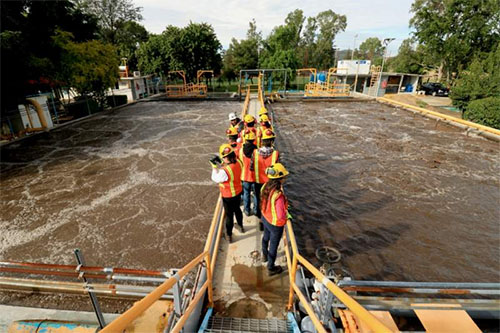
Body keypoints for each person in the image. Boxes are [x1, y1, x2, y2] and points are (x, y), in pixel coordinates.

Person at [210, 144, 244, 242]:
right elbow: (231, 167)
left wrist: (214, 167)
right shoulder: (239, 162)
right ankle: (241, 226)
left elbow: (215, 178)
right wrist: (222, 163)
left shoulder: (224, 171)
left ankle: (229, 235)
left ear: (225, 157)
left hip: (228, 195)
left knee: (229, 215)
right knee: (237, 210)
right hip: (238, 192)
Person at [261, 163, 290, 276]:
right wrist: (287, 215)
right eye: (284, 177)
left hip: (265, 218)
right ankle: (271, 267)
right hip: (275, 225)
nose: (285, 179)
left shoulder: (265, 187)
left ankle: (264, 255)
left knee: (265, 238)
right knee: (273, 245)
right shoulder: (278, 195)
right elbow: (280, 215)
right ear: (279, 179)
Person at [252, 129, 279, 229]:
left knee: (259, 200)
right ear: (272, 141)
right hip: (270, 183)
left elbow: (251, 167)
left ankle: (260, 220)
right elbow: (277, 168)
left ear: (262, 141)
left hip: (258, 182)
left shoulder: (255, 152)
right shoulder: (275, 154)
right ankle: (266, 220)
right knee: (268, 201)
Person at [239, 130, 257, 216]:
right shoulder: (257, 151)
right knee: (256, 194)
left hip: (244, 176)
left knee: (246, 194)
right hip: (255, 177)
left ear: (245, 139)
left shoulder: (241, 151)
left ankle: (247, 210)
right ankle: (256, 210)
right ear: (254, 140)